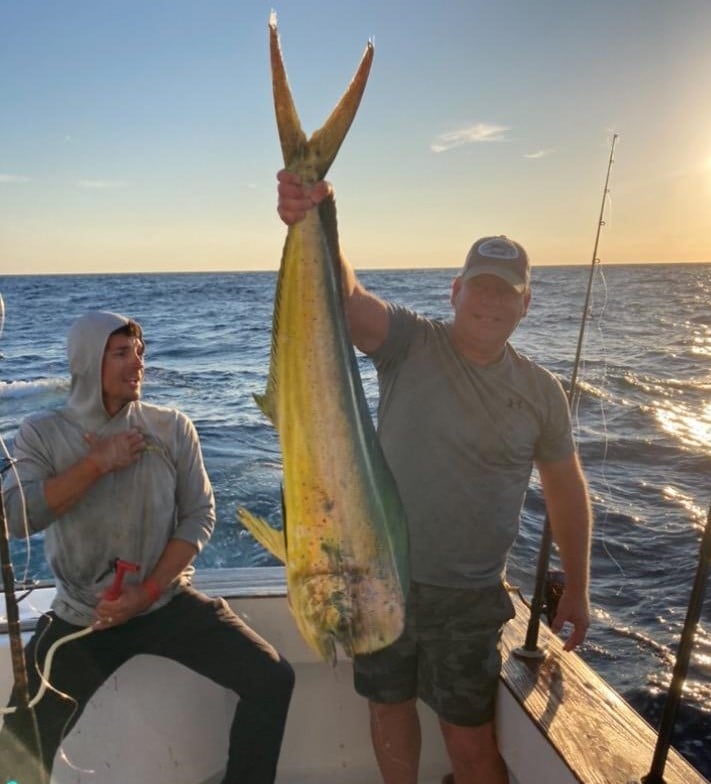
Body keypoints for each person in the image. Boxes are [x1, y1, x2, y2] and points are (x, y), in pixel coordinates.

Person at [276, 170, 592, 784]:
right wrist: (320, 214)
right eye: (480, 287)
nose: (491, 302)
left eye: (507, 292)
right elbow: (346, 303)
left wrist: (577, 587)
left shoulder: (541, 393)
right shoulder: (410, 342)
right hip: (376, 577)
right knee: (388, 710)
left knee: (468, 741)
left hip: (469, 599)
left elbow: (566, 492)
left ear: (526, 304)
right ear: (454, 291)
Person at [0, 310, 295, 783]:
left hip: (165, 602)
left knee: (273, 678)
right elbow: (16, 517)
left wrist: (149, 591)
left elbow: (200, 515)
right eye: (121, 353)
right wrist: (96, 463)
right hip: (83, 616)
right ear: (86, 362)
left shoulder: (172, 427)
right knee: (16, 743)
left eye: (139, 351)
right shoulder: (42, 432)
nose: (137, 363)